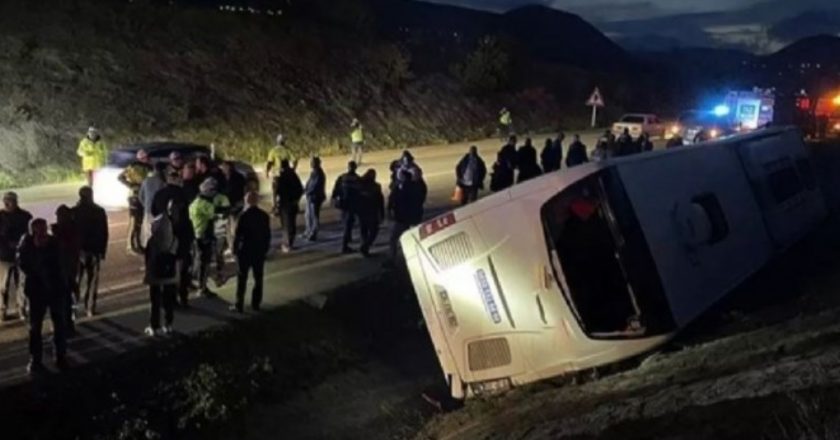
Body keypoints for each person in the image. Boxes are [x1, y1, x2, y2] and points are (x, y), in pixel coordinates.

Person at [19, 218, 68, 374]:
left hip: (54, 289)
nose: (42, 233)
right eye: (38, 230)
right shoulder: (27, 245)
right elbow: (24, 266)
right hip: (37, 291)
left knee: (59, 324)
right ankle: (35, 359)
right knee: (35, 327)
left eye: (43, 229)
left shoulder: (53, 243)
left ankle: (60, 356)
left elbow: (61, 265)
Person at [152, 169, 195, 308]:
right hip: (181, 235)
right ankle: (183, 297)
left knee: (167, 267)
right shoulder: (182, 194)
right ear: (177, 179)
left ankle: (168, 299)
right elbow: (188, 215)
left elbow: (154, 212)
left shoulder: (159, 194)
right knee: (183, 268)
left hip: (164, 236)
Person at [143, 201, 179, 337]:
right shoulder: (174, 238)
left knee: (155, 300)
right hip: (170, 272)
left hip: (155, 273)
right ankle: (168, 324)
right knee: (169, 299)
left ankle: (154, 326)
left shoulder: (153, 241)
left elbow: (147, 257)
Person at [189, 178, 229, 298]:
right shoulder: (205, 204)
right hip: (204, 235)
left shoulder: (195, 202)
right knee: (204, 263)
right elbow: (218, 213)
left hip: (196, 234)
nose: (214, 193)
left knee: (198, 260)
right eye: (212, 190)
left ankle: (196, 284)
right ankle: (202, 287)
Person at [232, 191, 271, 313]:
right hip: (259, 251)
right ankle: (256, 303)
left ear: (246, 201)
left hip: (245, 251)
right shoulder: (264, 216)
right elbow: (267, 235)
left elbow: (237, 235)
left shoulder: (243, 216)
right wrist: (265, 249)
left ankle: (239, 304)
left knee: (242, 279)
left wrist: (234, 250)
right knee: (258, 279)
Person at [74, 186, 108, 317]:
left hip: (79, 251)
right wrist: (102, 250)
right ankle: (90, 308)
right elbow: (104, 233)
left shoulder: (75, 212)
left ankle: (74, 308)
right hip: (94, 250)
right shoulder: (99, 211)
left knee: (76, 281)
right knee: (92, 281)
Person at [0, 192, 32, 322]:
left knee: (22, 285)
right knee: (3, 286)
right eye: (5, 200)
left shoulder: (25, 217)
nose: (7, 203)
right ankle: (2, 311)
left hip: (21, 256)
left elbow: (29, 235)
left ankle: (21, 309)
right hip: (4, 256)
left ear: (16, 201)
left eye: (10, 200)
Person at [51, 205, 81, 335]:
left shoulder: (61, 233)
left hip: (64, 270)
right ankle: (67, 325)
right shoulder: (72, 231)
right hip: (66, 270)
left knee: (63, 300)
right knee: (66, 299)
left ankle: (65, 326)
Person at [118, 149, 152, 255]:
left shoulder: (148, 168)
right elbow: (120, 177)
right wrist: (131, 185)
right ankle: (130, 245)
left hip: (143, 196)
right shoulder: (134, 167)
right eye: (146, 157)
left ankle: (138, 244)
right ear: (141, 158)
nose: (148, 159)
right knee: (134, 221)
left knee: (140, 222)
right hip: (134, 196)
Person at [387, 170, 424, 263]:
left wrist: (390, 210)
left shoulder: (400, 188)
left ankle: (393, 259)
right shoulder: (416, 187)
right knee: (411, 237)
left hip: (402, 218)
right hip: (413, 217)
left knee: (393, 239)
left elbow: (393, 200)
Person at [332, 161, 362, 254]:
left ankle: (347, 240)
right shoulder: (357, 179)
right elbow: (360, 193)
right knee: (348, 224)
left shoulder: (343, 177)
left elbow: (336, 189)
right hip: (352, 205)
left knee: (346, 222)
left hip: (344, 204)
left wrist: (335, 198)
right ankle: (345, 245)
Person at [274, 159, 304, 253]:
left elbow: (276, 191)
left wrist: (275, 204)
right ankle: (289, 243)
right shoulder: (293, 176)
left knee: (286, 225)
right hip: (292, 203)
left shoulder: (281, 177)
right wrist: (296, 200)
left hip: (284, 204)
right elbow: (300, 189)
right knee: (291, 224)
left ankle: (287, 244)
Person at [358, 169, 385, 257]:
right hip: (372, 212)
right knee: (373, 230)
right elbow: (380, 201)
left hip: (363, 212)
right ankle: (365, 245)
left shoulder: (361, 185)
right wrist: (382, 213)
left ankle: (364, 245)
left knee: (364, 230)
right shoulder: (376, 187)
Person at [139, 162, 168, 244]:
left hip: (148, 210)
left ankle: (149, 250)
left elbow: (140, 196)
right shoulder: (163, 182)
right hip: (160, 212)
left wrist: (146, 206)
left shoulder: (146, 180)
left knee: (147, 234)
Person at [219, 161, 246, 247]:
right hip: (227, 205)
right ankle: (232, 246)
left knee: (235, 226)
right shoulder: (223, 178)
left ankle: (236, 245)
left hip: (236, 204)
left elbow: (242, 190)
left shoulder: (237, 177)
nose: (223, 169)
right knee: (228, 227)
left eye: (224, 167)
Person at [303, 157, 326, 242]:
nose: (311, 164)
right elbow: (309, 183)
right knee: (308, 215)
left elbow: (315, 186)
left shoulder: (319, 173)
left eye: (313, 162)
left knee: (314, 216)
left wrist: (307, 191)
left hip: (315, 197)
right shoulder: (314, 172)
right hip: (311, 196)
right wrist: (305, 189)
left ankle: (313, 233)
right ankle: (308, 231)